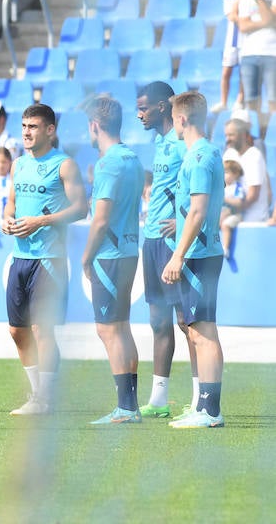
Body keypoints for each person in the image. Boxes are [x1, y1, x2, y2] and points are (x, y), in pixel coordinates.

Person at [2, 104, 88, 416]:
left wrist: (40, 221)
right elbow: (10, 203)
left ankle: (45, 399)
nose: (26, 132)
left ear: (50, 130)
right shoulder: (18, 165)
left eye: (33, 126)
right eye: (24, 126)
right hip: (20, 257)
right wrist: (7, 219)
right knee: (17, 331)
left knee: (42, 329)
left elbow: (81, 208)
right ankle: (36, 393)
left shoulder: (64, 165)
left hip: (49, 259)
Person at [162, 91, 228, 429]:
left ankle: (210, 410)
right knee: (198, 331)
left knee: (203, 333)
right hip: (201, 252)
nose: (172, 124)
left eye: (173, 118)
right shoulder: (204, 154)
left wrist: (177, 254)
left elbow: (200, 210)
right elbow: (198, 207)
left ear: (182, 119)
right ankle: (204, 406)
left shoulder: (200, 157)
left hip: (198, 256)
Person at [78, 96, 145, 424]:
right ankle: (130, 405)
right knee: (121, 327)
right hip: (130, 250)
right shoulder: (132, 158)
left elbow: (100, 219)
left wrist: (86, 257)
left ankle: (126, 407)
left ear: (95, 125)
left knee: (108, 330)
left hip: (110, 255)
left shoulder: (107, 163)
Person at [135, 81, 197, 417]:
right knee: (158, 321)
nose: (138, 113)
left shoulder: (182, 141)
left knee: (188, 323)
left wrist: (182, 220)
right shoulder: (160, 142)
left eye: (143, 107)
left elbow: (201, 184)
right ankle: (159, 400)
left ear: (162, 107)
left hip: (175, 242)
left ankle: (201, 396)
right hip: (153, 240)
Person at [237, 0, 276, 133]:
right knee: (252, 101)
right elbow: (243, 26)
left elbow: (270, 19)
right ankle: (256, 136)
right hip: (249, 54)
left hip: (272, 53)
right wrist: (266, 21)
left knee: (273, 100)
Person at [215, 0, 251, 113]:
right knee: (226, 72)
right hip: (231, 43)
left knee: (244, 72)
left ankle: (239, 99)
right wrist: (239, 0)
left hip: (247, 42)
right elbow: (232, 17)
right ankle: (223, 101)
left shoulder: (253, 0)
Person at [222, 115, 270, 222]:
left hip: (252, 220)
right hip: (229, 214)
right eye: (226, 135)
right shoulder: (228, 154)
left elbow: (252, 196)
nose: (227, 139)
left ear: (243, 135)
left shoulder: (255, 156)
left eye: (231, 135)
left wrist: (230, 211)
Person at [220, 160, 244, 262]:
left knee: (225, 225)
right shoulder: (221, 186)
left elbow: (239, 203)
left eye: (227, 172)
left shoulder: (237, 187)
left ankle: (225, 248)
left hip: (234, 214)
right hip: (221, 213)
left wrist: (225, 199)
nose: (225, 175)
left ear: (235, 174)